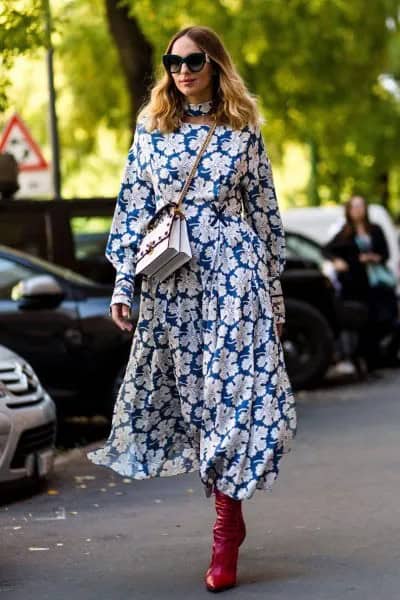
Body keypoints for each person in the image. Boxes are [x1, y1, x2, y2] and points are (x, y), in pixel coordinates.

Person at [87, 25, 297, 593]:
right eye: (173, 61)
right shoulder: (151, 127)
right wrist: (123, 286)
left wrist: (273, 294)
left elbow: (265, 215)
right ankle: (227, 503)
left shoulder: (242, 131)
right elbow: (133, 205)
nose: (182, 70)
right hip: (172, 276)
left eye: (194, 60)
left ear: (214, 64)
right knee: (195, 396)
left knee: (231, 392)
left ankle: (225, 530)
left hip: (235, 273)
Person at [324, 195, 398, 373]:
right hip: (356, 285)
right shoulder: (345, 233)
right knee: (364, 321)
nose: (358, 210)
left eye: (360, 206)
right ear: (349, 210)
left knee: (385, 319)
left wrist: (373, 257)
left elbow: (385, 253)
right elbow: (326, 250)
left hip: (377, 282)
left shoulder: (375, 230)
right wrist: (337, 261)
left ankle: (377, 357)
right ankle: (365, 360)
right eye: (354, 207)